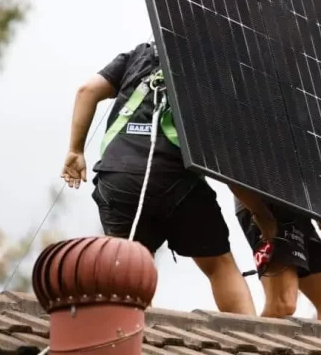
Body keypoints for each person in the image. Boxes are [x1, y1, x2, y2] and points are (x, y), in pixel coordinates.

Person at [59, 40, 255, 315]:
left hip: (120, 178)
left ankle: (136, 339)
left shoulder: (140, 54)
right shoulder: (212, 60)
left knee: (132, 269)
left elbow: (87, 90)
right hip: (179, 179)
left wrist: (76, 150)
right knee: (219, 266)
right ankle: (247, 336)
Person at [233, 195, 321, 322]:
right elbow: (233, 175)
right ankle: (254, 341)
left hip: (300, 206)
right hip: (264, 205)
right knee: (282, 305)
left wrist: (320, 211)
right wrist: (261, 215)